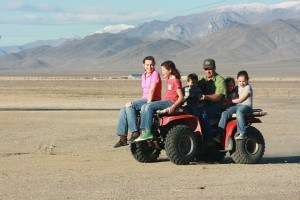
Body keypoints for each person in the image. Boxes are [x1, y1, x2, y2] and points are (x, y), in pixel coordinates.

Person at [114, 56, 162, 148]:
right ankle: (122, 138)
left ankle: (135, 132)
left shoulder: (155, 74)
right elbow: (145, 91)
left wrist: (148, 104)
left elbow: (151, 91)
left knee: (130, 106)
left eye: (151, 65)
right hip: (144, 99)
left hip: (152, 99)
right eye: (147, 65)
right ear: (143, 65)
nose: (149, 67)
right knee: (124, 109)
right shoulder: (143, 75)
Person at [135, 60, 184, 142]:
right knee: (144, 106)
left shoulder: (175, 80)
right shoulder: (169, 79)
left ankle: (147, 131)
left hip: (170, 103)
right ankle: (143, 131)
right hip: (165, 101)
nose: (162, 72)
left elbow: (181, 97)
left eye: (164, 70)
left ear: (170, 70)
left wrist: (173, 107)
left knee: (149, 106)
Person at [213, 70, 253, 143]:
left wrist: (229, 101)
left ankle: (242, 132)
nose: (242, 83)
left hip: (246, 106)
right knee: (225, 113)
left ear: (247, 80)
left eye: (243, 81)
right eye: (240, 81)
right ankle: (219, 134)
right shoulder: (237, 87)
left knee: (239, 112)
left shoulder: (248, 88)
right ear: (237, 80)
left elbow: (240, 100)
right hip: (238, 105)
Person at [197, 58, 227, 140]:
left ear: (214, 68)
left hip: (217, 108)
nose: (208, 71)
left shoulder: (219, 80)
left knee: (202, 113)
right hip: (202, 106)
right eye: (206, 69)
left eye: (210, 69)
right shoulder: (201, 79)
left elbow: (218, 96)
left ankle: (208, 138)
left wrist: (206, 97)